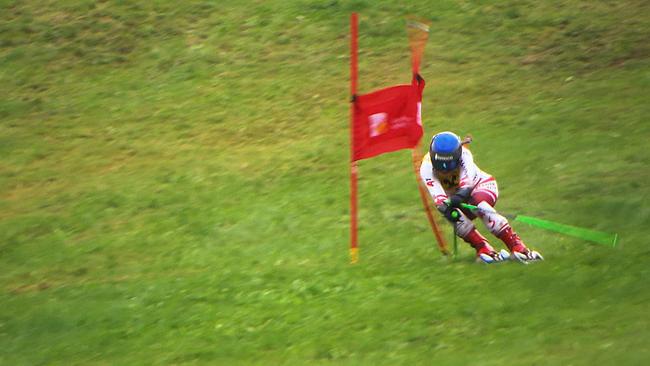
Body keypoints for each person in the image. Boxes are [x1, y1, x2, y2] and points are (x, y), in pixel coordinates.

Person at [420, 131, 543, 263]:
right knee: (451, 214)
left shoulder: (465, 155)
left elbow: (467, 185)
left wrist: (457, 197)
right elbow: (438, 197)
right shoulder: (426, 168)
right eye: (439, 163)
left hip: (482, 186)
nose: (444, 169)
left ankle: (517, 246)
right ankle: (482, 247)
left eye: (449, 164)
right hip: (458, 199)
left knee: (479, 205)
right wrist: (446, 205)